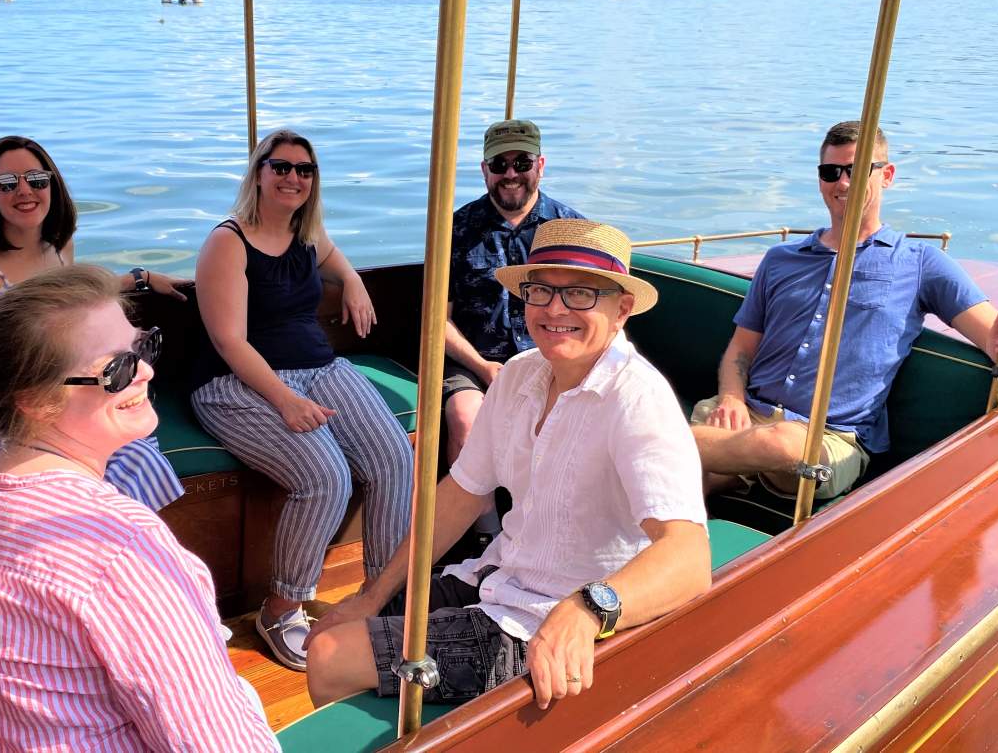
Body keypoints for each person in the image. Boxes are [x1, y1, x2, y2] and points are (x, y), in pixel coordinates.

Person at [304, 219, 711, 711]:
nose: (555, 309)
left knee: (329, 655)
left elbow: (689, 559)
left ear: (621, 309)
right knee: (331, 627)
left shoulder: (636, 399)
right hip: (497, 576)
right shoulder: (520, 375)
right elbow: (460, 494)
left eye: (581, 293)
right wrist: (372, 594)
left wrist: (587, 609)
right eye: (541, 290)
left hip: (548, 620)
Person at [0, 265, 278, 752]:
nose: (146, 372)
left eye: (143, 347)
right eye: (116, 369)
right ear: (36, 401)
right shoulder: (120, 553)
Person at [690, 121, 998, 501]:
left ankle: (664, 444)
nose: (842, 183)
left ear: (887, 175)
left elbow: (994, 338)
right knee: (682, 487)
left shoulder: (920, 263)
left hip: (828, 439)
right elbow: (740, 350)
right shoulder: (780, 261)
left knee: (782, 445)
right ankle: (708, 476)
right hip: (745, 415)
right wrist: (731, 399)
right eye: (831, 172)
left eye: (856, 171)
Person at [191, 129, 414, 672]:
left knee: (393, 460)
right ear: (259, 173)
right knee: (325, 479)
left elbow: (335, 259)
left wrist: (354, 280)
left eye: (305, 170)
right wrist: (285, 399)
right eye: (281, 166)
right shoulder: (229, 240)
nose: (293, 177)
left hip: (320, 366)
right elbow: (229, 341)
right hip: (237, 382)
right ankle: (281, 609)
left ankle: (379, 598)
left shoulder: (307, 234)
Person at [0, 135, 191, 512]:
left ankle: (116, 546)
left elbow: (63, 299)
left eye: (36, 180)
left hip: (54, 380)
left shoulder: (59, 244)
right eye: (8, 184)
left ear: (52, 185)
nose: (24, 191)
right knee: (60, 480)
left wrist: (140, 278)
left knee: (133, 455)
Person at [445, 119, 584, 536]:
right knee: (465, 417)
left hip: (551, 355)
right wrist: (485, 368)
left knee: (565, 419)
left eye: (521, 162)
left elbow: (586, 317)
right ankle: (484, 540)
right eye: (499, 164)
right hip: (472, 360)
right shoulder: (455, 228)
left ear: (540, 165)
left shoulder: (570, 231)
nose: (510, 174)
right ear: (484, 170)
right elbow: (438, 321)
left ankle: (544, 531)